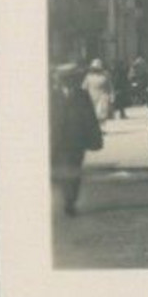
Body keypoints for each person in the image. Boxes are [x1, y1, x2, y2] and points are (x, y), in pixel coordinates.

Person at [50, 63, 103, 216]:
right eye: (66, 79)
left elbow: (90, 117)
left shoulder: (82, 95)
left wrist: (95, 137)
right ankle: (67, 198)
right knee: (62, 171)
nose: (70, 82)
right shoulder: (51, 95)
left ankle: (70, 201)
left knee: (74, 171)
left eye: (72, 79)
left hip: (76, 140)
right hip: (57, 141)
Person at [82, 59, 114, 123]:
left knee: (101, 113)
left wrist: (112, 96)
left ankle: (101, 127)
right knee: (94, 114)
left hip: (103, 97)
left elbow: (110, 86)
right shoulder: (88, 76)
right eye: (95, 68)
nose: (96, 70)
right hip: (91, 97)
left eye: (97, 68)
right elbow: (84, 87)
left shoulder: (105, 75)